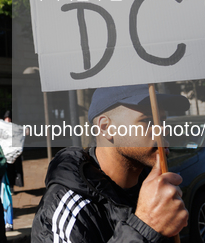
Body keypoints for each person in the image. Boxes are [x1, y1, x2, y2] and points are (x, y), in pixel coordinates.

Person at [31, 84, 190, 243]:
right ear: (106, 127)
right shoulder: (67, 210)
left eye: (162, 120)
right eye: (149, 120)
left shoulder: (155, 188)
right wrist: (145, 227)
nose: (163, 130)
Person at [3, 110, 24, 189]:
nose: (8, 120)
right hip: (5, 154)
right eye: (6, 118)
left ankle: (13, 186)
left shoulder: (15, 127)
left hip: (13, 153)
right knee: (8, 171)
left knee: (14, 171)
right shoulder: (2, 128)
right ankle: (10, 186)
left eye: (9, 118)